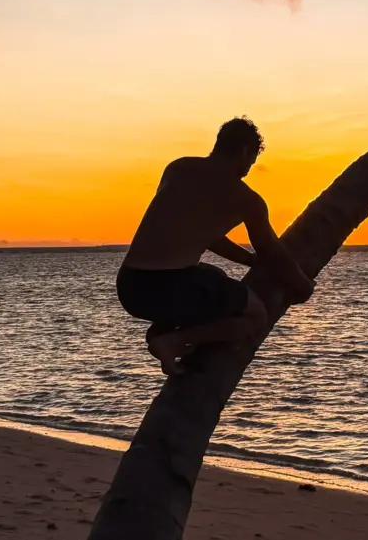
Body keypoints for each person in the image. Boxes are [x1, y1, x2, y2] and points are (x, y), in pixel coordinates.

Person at [116, 116, 314, 374]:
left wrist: (249, 260)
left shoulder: (178, 169)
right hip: (168, 289)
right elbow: (273, 253)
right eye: (251, 161)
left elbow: (204, 235)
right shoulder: (246, 199)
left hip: (130, 286)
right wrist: (303, 285)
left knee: (214, 276)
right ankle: (170, 341)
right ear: (245, 152)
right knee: (254, 316)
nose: (248, 169)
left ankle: (164, 333)